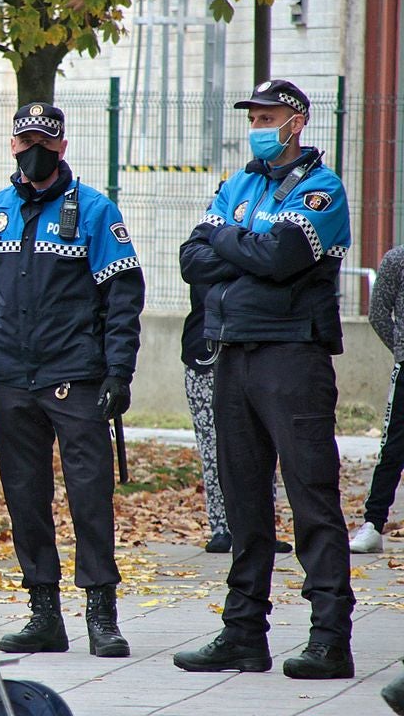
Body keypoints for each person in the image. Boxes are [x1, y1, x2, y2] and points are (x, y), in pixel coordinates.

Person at [174, 79, 355, 679]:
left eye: (268, 113)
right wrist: (244, 247)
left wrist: (231, 243)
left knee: (312, 500)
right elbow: (190, 259)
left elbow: (281, 258)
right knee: (244, 504)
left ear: (297, 121)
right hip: (233, 354)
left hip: (293, 357)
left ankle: (330, 637)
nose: (258, 122)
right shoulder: (241, 182)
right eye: (252, 114)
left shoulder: (323, 189)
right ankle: (243, 633)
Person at [0, 103, 144, 659]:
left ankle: (101, 615)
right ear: (12, 146)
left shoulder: (94, 211)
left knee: (90, 498)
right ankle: (44, 614)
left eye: (43, 139)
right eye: (24, 139)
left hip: (76, 380)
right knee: (25, 499)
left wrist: (118, 372)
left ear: (61, 147)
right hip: (12, 380)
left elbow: (123, 298)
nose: (32, 148)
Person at [183, 283, 293, 556]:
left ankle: (263, 526)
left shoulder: (258, 242)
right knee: (212, 446)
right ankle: (221, 527)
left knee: (262, 444)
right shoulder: (206, 243)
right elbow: (206, 285)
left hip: (257, 351)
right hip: (206, 357)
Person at [350, 244, 404, 553]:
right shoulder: (396, 260)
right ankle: (373, 524)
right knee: (393, 448)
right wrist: (401, 349)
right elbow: (378, 314)